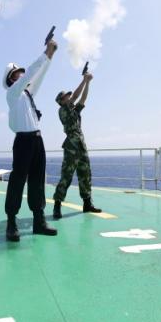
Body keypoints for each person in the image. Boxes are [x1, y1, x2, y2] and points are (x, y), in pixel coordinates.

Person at [2, 39, 59, 242]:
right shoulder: (12, 93)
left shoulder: (27, 94)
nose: (21, 75)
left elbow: (38, 76)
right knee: (17, 181)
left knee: (37, 180)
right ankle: (11, 222)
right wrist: (45, 53)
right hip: (23, 142)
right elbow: (30, 74)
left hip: (37, 140)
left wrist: (50, 56)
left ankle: (38, 221)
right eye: (17, 74)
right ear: (11, 79)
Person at [52, 73, 101, 219]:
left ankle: (87, 203)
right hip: (71, 147)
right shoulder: (62, 110)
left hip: (81, 145)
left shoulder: (73, 110)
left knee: (85, 174)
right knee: (66, 176)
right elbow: (75, 96)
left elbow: (83, 99)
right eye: (66, 97)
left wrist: (88, 83)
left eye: (68, 96)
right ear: (61, 101)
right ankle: (57, 206)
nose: (69, 97)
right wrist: (84, 80)